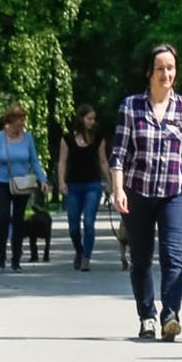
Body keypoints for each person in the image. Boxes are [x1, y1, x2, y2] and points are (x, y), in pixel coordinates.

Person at [109, 44, 182, 340]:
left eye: (171, 68)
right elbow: (118, 154)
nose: (166, 73)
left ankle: (170, 316)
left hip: (175, 192)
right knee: (140, 258)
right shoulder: (131, 106)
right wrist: (117, 189)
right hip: (138, 191)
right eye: (161, 68)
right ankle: (147, 316)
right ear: (149, 72)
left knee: (173, 256)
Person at [0, 104, 49, 271]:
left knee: (19, 220)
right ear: (10, 121)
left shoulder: (28, 138)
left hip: (22, 184)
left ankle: (16, 259)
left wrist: (43, 180)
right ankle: (1, 255)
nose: (22, 123)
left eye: (23, 120)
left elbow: (34, 161)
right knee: (4, 217)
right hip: (2, 182)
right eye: (20, 120)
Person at [57, 103, 113, 270]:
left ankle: (86, 257)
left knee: (89, 222)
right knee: (73, 226)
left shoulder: (98, 138)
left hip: (92, 185)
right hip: (73, 186)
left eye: (93, 119)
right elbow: (62, 162)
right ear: (81, 119)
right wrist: (61, 182)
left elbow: (103, 161)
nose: (92, 122)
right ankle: (79, 250)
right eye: (89, 118)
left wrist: (110, 183)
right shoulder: (67, 139)